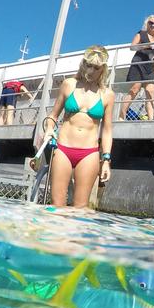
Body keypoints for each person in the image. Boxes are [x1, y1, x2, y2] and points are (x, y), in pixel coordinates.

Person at [39, 46, 115, 208]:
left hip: (89, 153)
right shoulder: (69, 85)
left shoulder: (107, 94)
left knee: (81, 207)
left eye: (96, 67)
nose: (91, 70)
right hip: (63, 149)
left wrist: (106, 159)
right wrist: (49, 130)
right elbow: (53, 116)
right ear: (83, 64)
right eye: (88, 65)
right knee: (57, 204)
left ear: (103, 69)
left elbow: (107, 130)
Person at [119, 15, 154, 120]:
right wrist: (145, 45)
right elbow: (132, 47)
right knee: (135, 89)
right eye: (150, 23)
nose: (152, 25)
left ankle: (151, 120)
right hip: (138, 63)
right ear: (147, 24)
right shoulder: (141, 34)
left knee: (150, 92)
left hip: (150, 67)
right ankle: (121, 117)